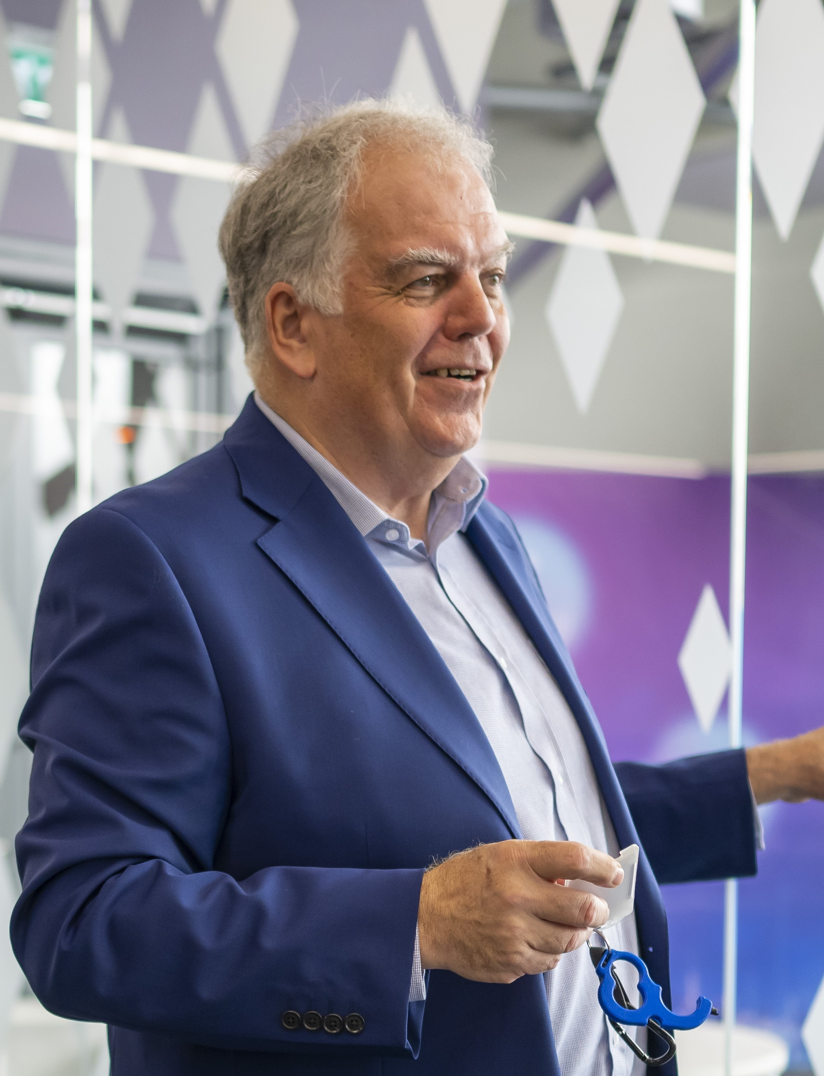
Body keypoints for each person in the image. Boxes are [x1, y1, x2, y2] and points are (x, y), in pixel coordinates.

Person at [10, 100, 824, 1076]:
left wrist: (785, 770)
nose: (480, 317)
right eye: (427, 278)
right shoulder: (151, 557)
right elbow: (84, 919)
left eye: (490, 275)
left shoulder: (487, 536)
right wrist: (418, 920)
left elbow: (540, 816)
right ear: (292, 323)